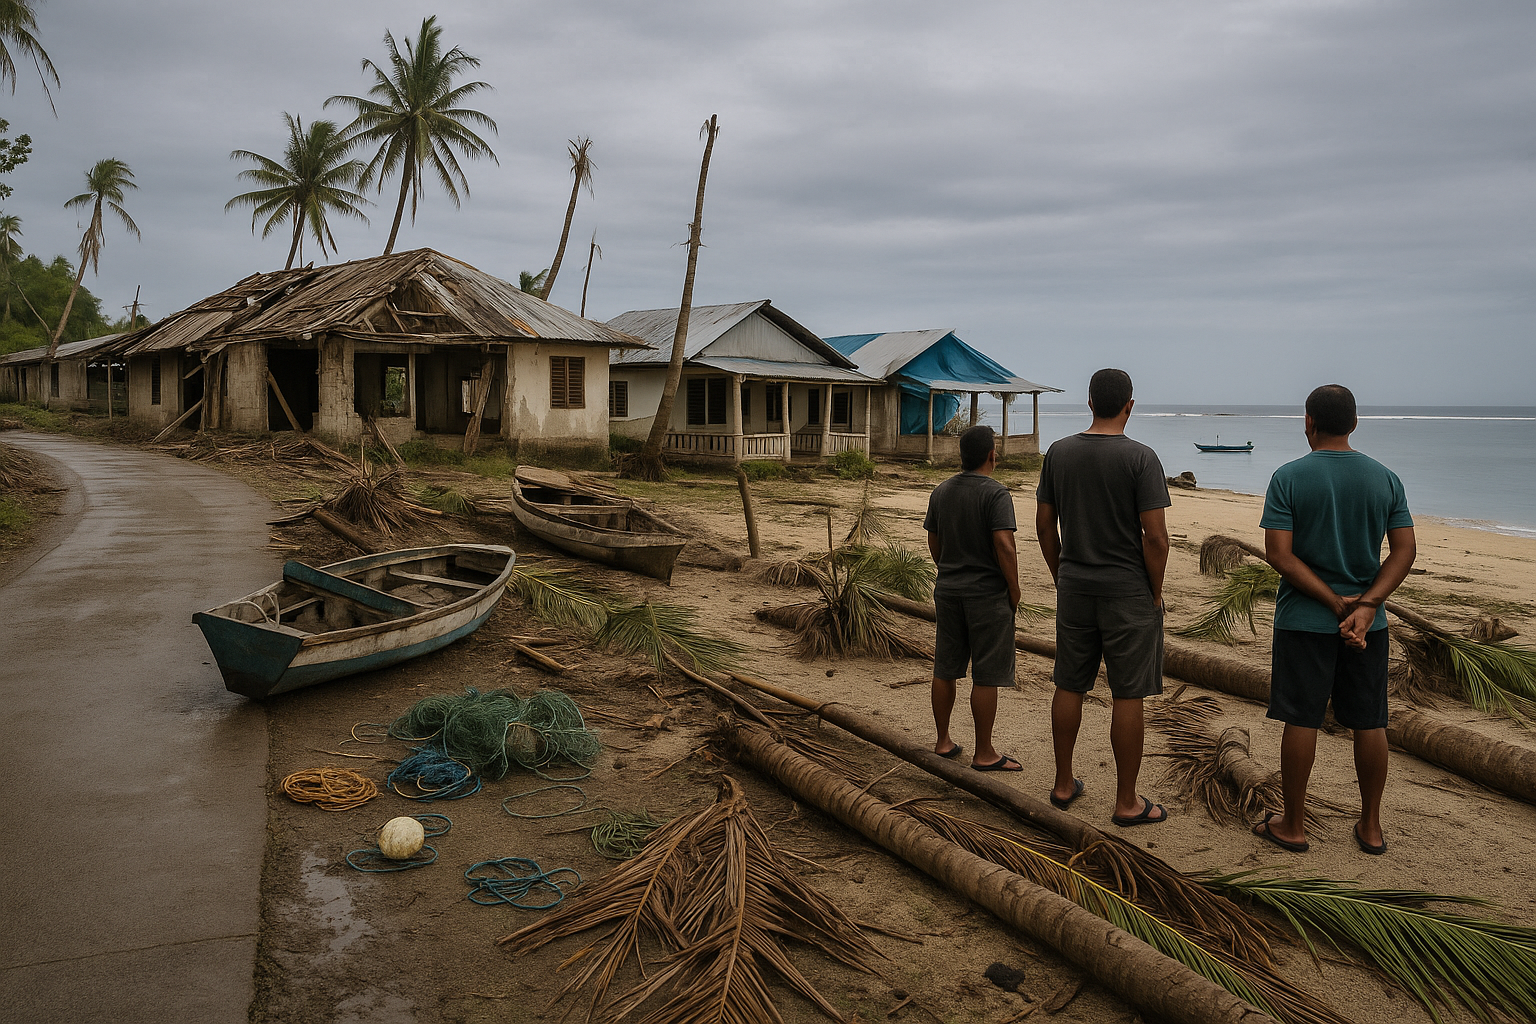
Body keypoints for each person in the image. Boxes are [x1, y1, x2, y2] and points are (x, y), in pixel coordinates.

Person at [1253, 384, 1415, 856]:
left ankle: (1294, 825)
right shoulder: (1385, 478)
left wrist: (1334, 602)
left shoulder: (1288, 477)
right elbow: (1404, 550)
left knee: (1301, 719)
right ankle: (1370, 826)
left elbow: (1279, 556)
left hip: (1304, 621)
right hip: (1370, 626)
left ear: (1308, 422)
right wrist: (1366, 606)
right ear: (1355, 423)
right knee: (1370, 722)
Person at [1035, 368, 1171, 826]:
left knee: (1069, 683)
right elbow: (1156, 538)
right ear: (1129, 406)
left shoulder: (1059, 453)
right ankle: (1126, 801)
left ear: (1089, 402)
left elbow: (1043, 525)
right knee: (1128, 694)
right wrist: (1155, 591)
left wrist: (1061, 574)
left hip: (1075, 587)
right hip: (1127, 590)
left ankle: (1062, 782)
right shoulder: (1142, 458)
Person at [924, 424, 1023, 771]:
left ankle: (942, 740)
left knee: (946, 666)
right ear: (991, 455)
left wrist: (948, 568)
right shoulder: (996, 494)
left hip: (948, 590)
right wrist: (1013, 589)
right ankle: (984, 752)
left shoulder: (941, 491)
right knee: (986, 673)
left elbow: (933, 541)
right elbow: (1004, 545)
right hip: (987, 594)